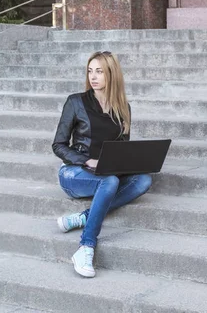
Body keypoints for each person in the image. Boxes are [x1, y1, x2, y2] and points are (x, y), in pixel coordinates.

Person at [52, 51, 152, 278]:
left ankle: (84, 216)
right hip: (73, 173)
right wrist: (86, 160)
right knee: (110, 181)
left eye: (99, 71)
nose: (93, 77)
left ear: (112, 74)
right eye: (90, 71)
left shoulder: (123, 107)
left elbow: (122, 150)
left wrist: (136, 161)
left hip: (105, 172)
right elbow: (58, 145)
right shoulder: (76, 102)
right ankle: (86, 246)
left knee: (144, 180)